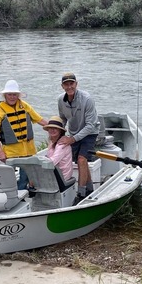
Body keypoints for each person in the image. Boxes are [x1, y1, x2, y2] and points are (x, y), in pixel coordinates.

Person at [0, 79, 47, 190]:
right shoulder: (0, 110)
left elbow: (40, 120)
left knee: (25, 178)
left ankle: (23, 194)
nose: (12, 97)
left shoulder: (25, 106)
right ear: (5, 95)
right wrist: (0, 152)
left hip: (28, 150)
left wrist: (56, 128)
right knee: (10, 179)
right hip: (11, 152)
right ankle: (13, 197)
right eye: (10, 94)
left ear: (18, 95)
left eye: (14, 94)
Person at [57, 72, 99, 201]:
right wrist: (57, 135)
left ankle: (81, 194)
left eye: (71, 83)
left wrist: (72, 139)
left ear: (76, 84)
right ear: (62, 86)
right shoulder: (60, 100)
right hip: (74, 132)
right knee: (82, 161)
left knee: (81, 159)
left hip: (90, 132)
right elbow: (63, 119)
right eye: (66, 84)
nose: (69, 87)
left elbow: (90, 125)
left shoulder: (87, 99)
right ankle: (90, 187)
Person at [42, 116, 73, 182]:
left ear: (60, 131)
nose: (52, 130)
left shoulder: (61, 144)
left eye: (55, 128)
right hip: (55, 172)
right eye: (50, 128)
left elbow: (52, 162)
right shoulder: (52, 141)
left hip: (62, 176)